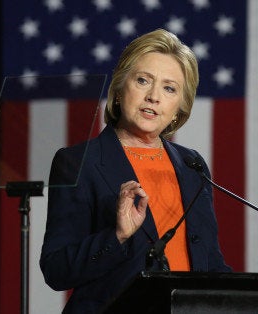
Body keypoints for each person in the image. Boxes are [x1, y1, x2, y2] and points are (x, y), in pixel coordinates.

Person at [40, 28, 231, 313]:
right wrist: (117, 235)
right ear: (118, 90)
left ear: (179, 108)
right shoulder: (79, 162)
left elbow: (209, 262)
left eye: (169, 88)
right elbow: (56, 269)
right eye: (143, 80)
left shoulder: (193, 166)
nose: (154, 96)